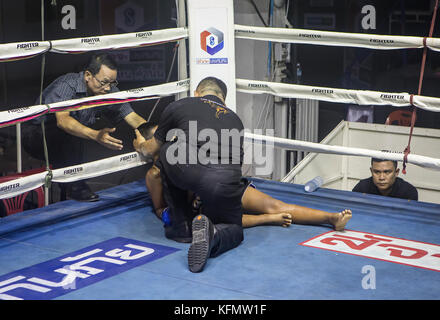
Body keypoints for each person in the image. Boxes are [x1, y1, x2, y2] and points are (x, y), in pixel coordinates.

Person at [137, 126, 352, 231]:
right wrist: (174, 213)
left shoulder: (185, 151)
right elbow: (159, 209)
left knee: (276, 205)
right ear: (150, 145)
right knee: (211, 220)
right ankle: (266, 219)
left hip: (223, 186)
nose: (166, 140)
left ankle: (330, 218)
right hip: (201, 207)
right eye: (159, 138)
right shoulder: (154, 174)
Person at [133, 77, 248, 273]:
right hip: (225, 179)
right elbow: (237, 162)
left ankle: (182, 226)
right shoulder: (236, 119)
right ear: (223, 100)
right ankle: (215, 233)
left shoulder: (180, 105)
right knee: (235, 229)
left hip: (190, 172)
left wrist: (140, 145)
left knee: (169, 148)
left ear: (196, 93)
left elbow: (154, 148)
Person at [23, 53, 147, 202]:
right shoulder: (68, 85)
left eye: (112, 83)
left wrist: (156, 134)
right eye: (104, 82)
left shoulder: (109, 90)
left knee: (76, 135)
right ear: (88, 75)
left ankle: (71, 183)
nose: (108, 88)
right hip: (36, 135)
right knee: (72, 131)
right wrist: (96, 135)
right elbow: (63, 121)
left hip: (66, 143)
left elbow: (131, 116)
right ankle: (75, 186)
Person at [352, 156, 418, 200]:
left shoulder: (408, 192)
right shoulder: (361, 188)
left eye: (387, 172)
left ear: (396, 172)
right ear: (371, 171)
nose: (381, 177)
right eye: (377, 172)